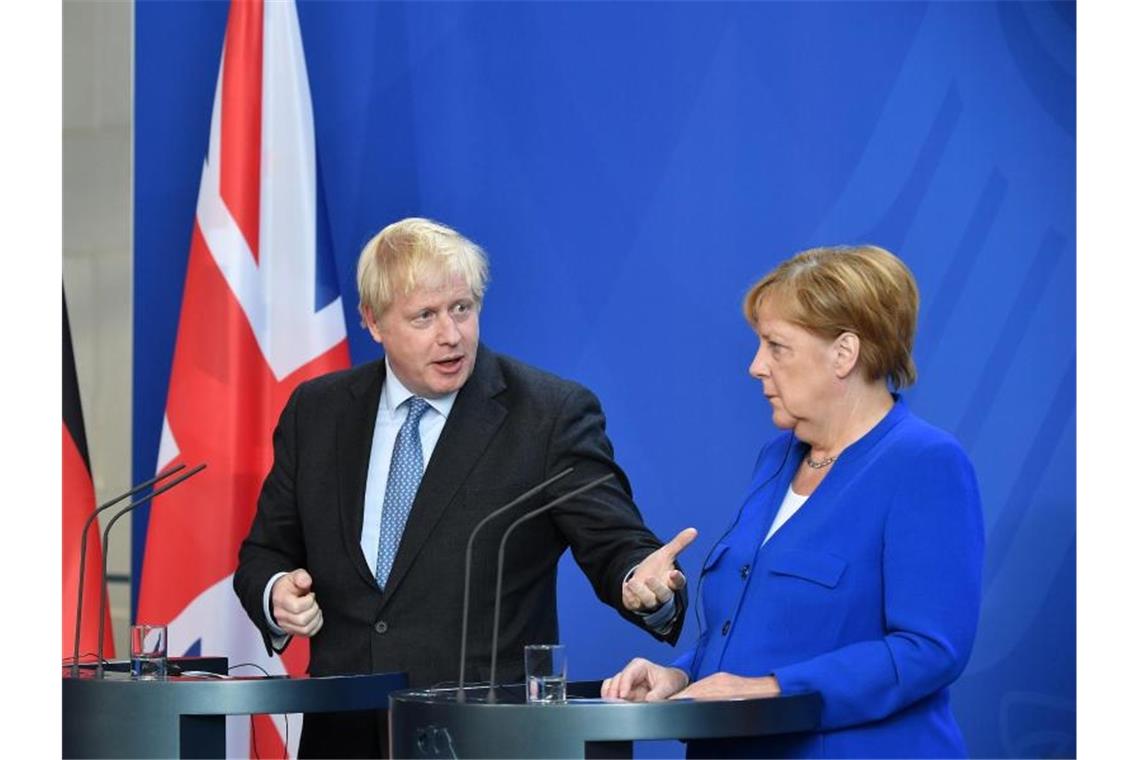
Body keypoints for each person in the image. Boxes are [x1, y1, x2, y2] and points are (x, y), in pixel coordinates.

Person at [234, 217, 692, 757]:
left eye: (462, 308)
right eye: (424, 316)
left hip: (484, 737)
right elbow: (265, 552)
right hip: (345, 735)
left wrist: (646, 584)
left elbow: (618, 547)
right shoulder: (318, 411)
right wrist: (277, 594)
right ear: (372, 321)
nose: (451, 335)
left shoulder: (548, 414)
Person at [602, 245, 984, 759]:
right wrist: (679, 675)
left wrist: (771, 689)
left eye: (775, 346)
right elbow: (757, 635)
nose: (755, 366)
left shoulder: (924, 463)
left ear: (844, 354)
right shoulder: (777, 458)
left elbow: (928, 650)